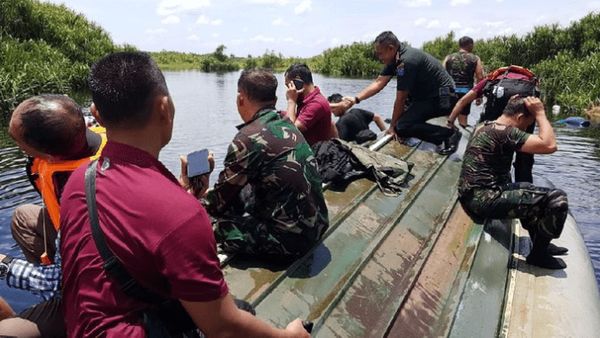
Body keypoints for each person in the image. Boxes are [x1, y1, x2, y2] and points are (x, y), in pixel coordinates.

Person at [58, 52, 309, 337]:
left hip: (82, 327)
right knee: (243, 312)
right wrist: (289, 336)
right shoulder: (183, 214)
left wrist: (183, 192)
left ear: (98, 115)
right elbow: (223, 327)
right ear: (165, 108)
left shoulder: (79, 181)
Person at [0, 94, 106, 338]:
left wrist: (4, 264)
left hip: (100, 292)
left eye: (20, 144)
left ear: (49, 156)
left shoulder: (79, 196)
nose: (19, 148)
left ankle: (66, 309)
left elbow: (54, 282)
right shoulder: (88, 132)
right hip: (84, 247)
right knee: (23, 217)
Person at [204, 68, 329, 258]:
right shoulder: (287, 123)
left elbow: (215, 205)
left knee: (210, 226)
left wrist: (197, 191)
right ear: (275, 101)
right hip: (318, 224)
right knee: (242, 193)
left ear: (240, 98)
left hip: (291, 242)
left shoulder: (247, 138)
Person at [458, 96, 569, 270]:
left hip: (477, 195)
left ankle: (540, 244)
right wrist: (540, 114)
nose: (526, 129)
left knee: (528, 188)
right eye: (527, 124)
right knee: (557, 200)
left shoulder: (485, 125)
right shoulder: (505, 132)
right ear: (519, 118)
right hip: (484, 199)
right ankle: (538, 255)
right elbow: (550, 145)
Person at [341, 31, 461, 154]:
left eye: (380, 54)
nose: (379, 58)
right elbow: (379, 82)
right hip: (428, 96)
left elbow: (401, 98)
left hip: (444, 98)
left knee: (402, 127)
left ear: (390, 48)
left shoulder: (406, 61)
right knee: (403, 122)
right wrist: (356, 99)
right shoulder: (395, 58)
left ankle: (448, 135)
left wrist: (392, 127)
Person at [448, 65, 539, 183]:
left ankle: (488, 180)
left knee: (490, 140)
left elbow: (462, 101)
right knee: (524, 153)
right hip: (525, 108)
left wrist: (450, 121)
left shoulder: (491, 79)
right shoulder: (530, 82)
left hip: (497, 104)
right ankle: (525, 188)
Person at [284, 63, 337, 145]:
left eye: (289, 86)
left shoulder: (316, 103)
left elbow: (291, 131)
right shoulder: (309, 100)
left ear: (298, 83)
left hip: (314, 155)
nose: (288, 90)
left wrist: (291, 101)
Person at [443, 36, 484, 128]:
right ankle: (461, 139)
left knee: (447, 118)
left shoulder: (448, 57)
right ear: (470, 45)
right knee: (463, 119)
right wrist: (479, 95)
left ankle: (447, 139)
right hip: (465, 93)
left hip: (449, 91)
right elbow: (480, 77)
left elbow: (441, 74)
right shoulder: (475, 58)